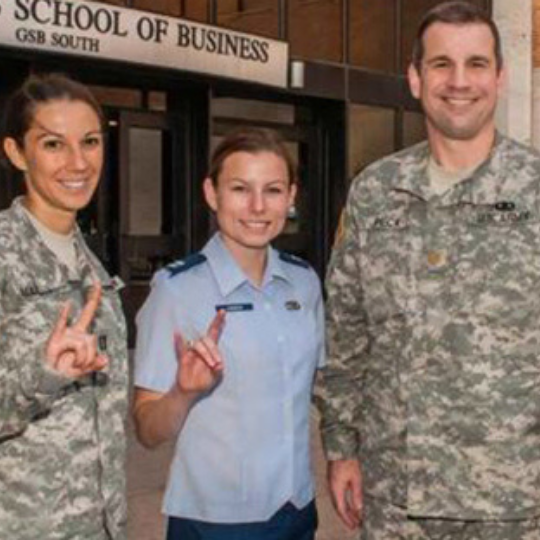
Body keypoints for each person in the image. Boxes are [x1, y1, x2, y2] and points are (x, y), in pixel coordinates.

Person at [317, 2, 540, 538]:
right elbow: (346, 331)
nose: (459, 81)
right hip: (397, 501)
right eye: (441, 64)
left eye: (476, 64)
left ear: (500, 77)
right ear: (416, 79)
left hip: (516, 500)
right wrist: (341, 447)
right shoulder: (374, 191)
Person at [133, 127, 324, 540]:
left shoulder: (305, 282)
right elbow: (147, 431)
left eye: (273, 190)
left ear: (291, 196)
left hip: (296, 511)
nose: (257, 207)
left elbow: (317, 390)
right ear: (211, 192)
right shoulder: (176, 289)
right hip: (215, 522)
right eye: (240, 188)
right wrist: (183, 393)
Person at [0, 73, 128, 539]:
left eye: (90, 142)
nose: (78, 162)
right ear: (16, 153)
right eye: (53, 144)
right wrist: (42, 372)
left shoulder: (92, 268)